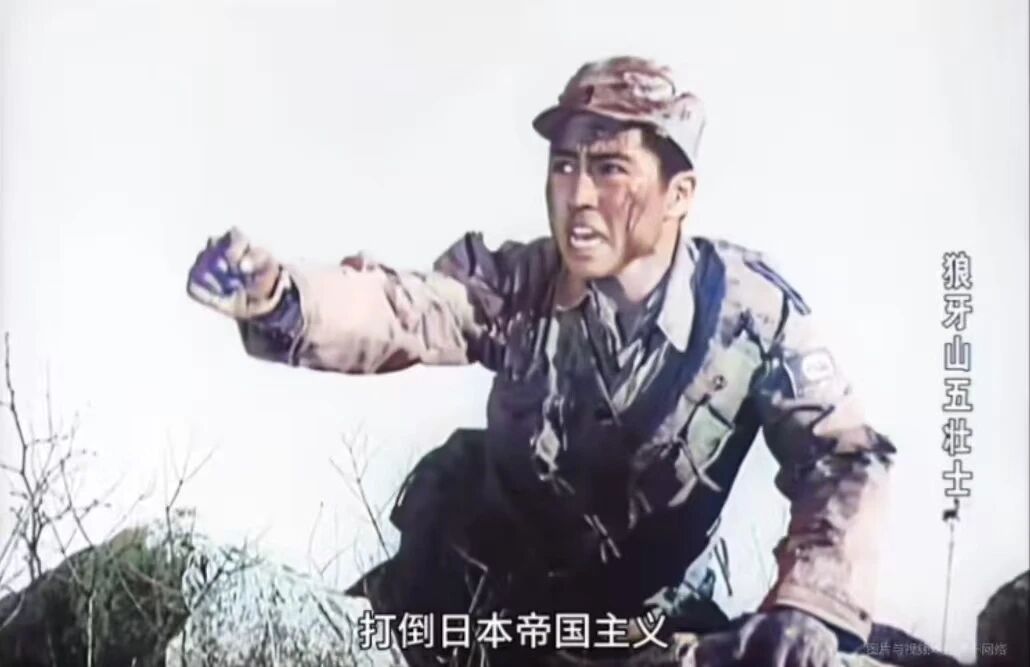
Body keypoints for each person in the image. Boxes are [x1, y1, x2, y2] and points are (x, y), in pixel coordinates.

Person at [187, 56, 896, 667]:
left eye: (610, 168)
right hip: (466, 605)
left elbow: (842, 456)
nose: (578, 196)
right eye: (564, 165)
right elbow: (406, 307)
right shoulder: (521, 283)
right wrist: (282, 298)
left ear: (679, 194)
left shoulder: (749, 315)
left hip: (629, 630)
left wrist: (810, 606)